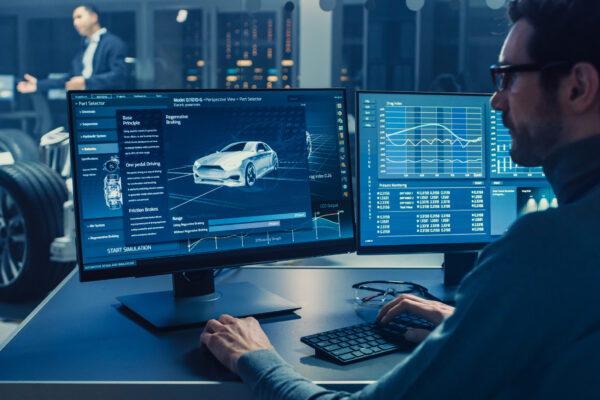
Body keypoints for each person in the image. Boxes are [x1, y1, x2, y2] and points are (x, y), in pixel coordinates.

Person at [200, 0, 600, 397]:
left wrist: (255, 358)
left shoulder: (545, 248)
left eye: (509, 77)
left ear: (578, 87)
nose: (496, 100)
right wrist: (471, 324)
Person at [17, 4, 127, 93]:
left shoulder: (113, 42)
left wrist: (85, 83)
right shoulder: (84, 49)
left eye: (79, 17)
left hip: (107, 106)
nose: (75, 23)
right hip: (84, 104)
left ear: (94, 17)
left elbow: (119, 75)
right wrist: (38, 85)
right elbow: (70, 79)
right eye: (74, 19)